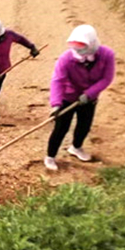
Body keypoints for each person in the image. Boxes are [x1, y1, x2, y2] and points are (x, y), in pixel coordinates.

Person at [44, 24, 115, 171]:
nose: (78, 51)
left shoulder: (107, 55)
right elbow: (58, 81)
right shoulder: (66, 59)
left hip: (89, 99)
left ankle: (76, 148)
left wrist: (89, 94)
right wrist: (56, 104)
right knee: (60, 128)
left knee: (84, 125)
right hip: (67, 98)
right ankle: (50, 156)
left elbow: (106, 79)